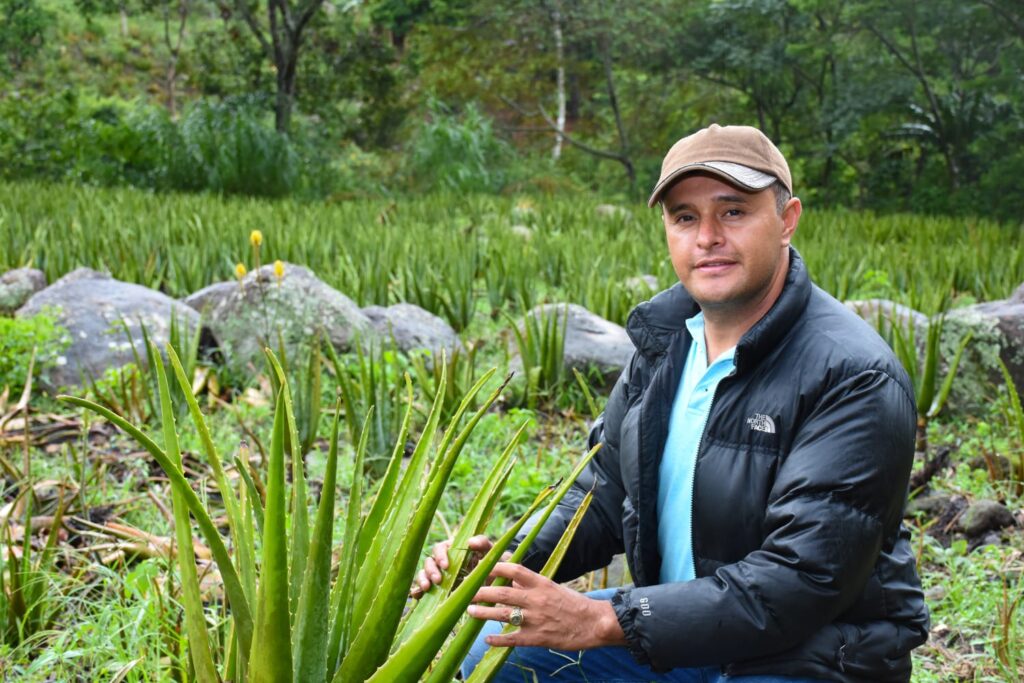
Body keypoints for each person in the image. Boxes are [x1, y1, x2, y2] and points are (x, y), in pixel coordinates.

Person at [413, 123, 930, 682]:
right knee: (493, 661)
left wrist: (605, 620)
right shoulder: (663, 348)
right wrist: (506, 556)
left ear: (787, 220)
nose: (706, 236)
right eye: (685, 217)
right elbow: (604, 494)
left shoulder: (853, 374)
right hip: (680, 637)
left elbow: (802, 578)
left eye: (732, 212)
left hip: (809, 656)